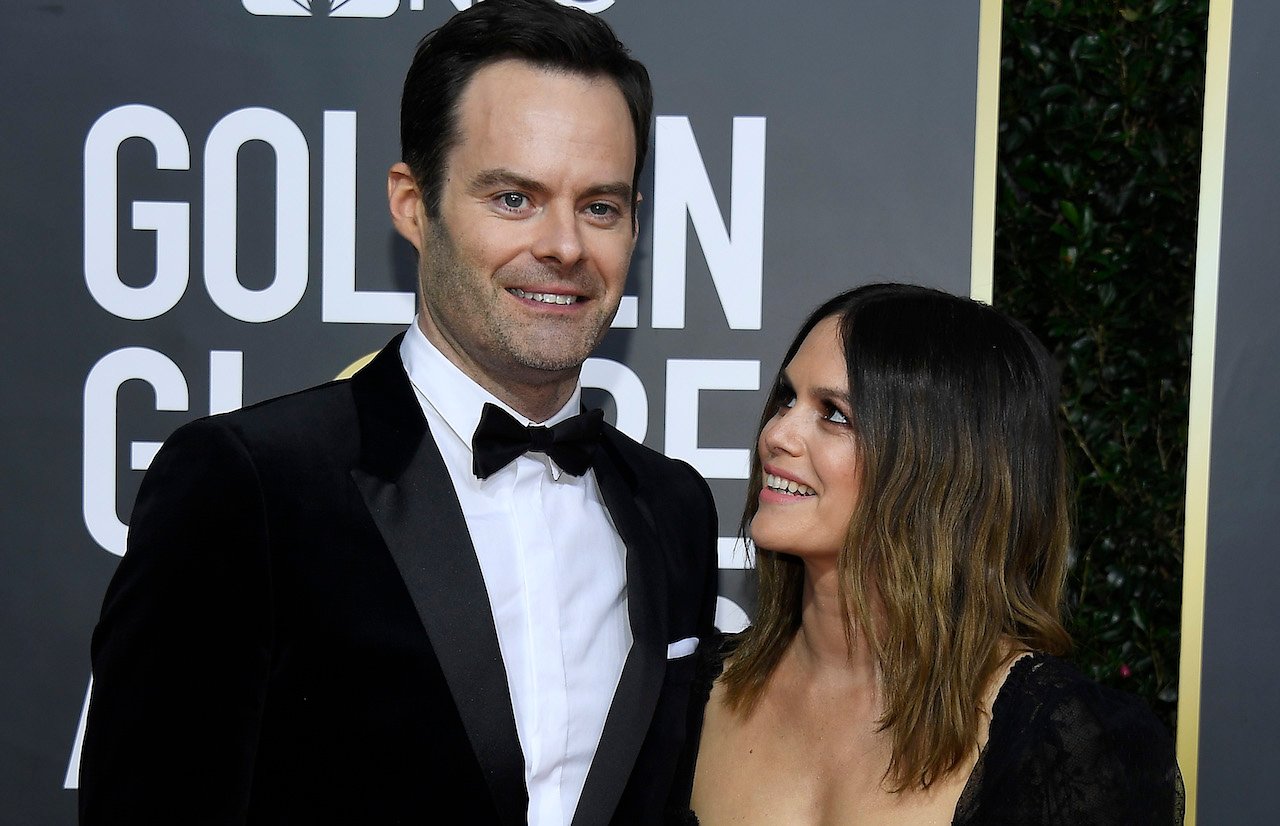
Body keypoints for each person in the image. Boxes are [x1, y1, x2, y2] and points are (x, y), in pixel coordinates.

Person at [78, 1, 718, 823]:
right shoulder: (252, 487)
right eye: (514, 199)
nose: (564, 246)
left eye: (600, 206)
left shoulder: (673, 510)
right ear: (413, 203)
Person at [685, 284, 1183, 824]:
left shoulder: (1065, 746)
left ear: (938, 465)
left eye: (834, 414)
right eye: (787, 398)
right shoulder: (690, 695)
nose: (777, 434)